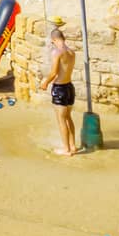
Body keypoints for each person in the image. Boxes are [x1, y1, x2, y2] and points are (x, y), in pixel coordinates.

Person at [37, 27, 79, 156]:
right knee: (68, 117)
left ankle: (66, 149)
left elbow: (54, 72)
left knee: (61, 120)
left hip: (60, 88)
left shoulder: (57, 52)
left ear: (54, 39)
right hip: (69, 87)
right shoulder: (72, 52)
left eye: (52, 42)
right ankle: (72, 146)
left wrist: (45, 82)